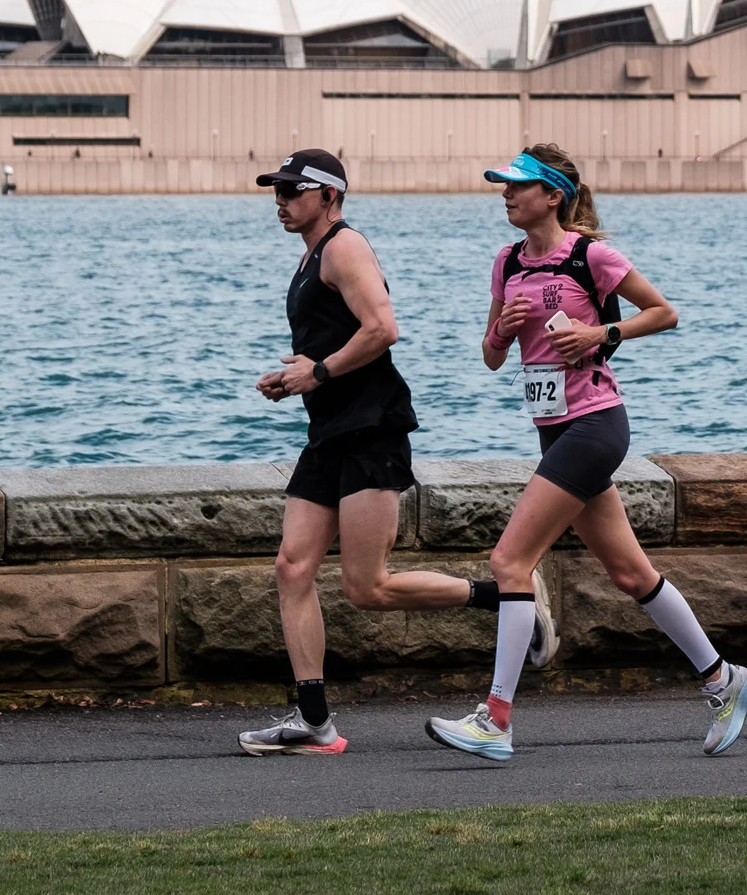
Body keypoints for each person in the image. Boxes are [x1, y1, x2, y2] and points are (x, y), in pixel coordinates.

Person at [426, 144, 747, 763]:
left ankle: (495, 720)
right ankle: (724, 679)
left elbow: (664, 312)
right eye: (502, 185)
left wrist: (597, 332)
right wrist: (503, 328)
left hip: (597, 425)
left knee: (508, 562)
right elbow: (492, 355)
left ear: (553, 196)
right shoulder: (507, 263)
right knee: (631, 574)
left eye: (517, 187)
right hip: (555, 431)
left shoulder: (590, 256)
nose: (505, 194)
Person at [235, 148, 550, 754]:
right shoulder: (310, 257)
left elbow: (383, 329)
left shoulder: (346, 246)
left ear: (330, 196)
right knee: (291, 568)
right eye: (275, 191)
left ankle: (510, 604)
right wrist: (297, 378)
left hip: (372, 431)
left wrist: (318, 373)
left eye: (293, 190)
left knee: (368, 587)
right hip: (328, 433)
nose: (280, 201)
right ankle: (313, 722)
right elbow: (336, 344)